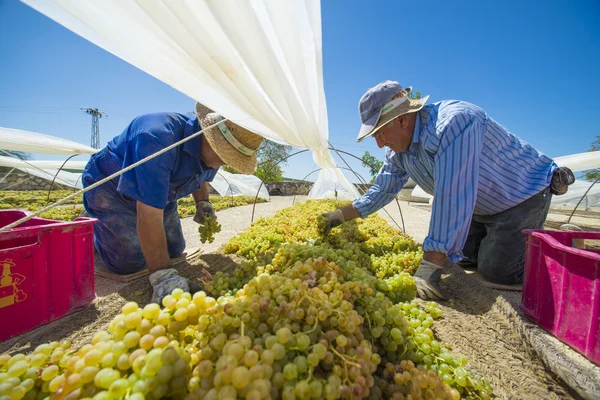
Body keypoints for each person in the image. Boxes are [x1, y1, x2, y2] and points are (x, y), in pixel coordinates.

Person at [322, 80, 574, 300]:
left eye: (379, 133)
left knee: (499, 273)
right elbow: (380, 190)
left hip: (521, 195)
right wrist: (339, 216)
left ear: (401, 119)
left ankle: (561, 250)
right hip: (479, 206)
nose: (378, 144)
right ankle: (506, 240)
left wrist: (430, 265)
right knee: (462, 258)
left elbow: (452, 194)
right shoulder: (398, 151)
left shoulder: (455, 123)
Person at [82, 103, 263, 303]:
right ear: (212, 141)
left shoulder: (212, 155)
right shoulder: (156, 138)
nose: (226, 163)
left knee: (174, 250)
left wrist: (203, 202)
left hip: (163, 192)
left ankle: (113, 232)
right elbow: (149, 214)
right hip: (110, 187)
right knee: (129, 262)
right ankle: (95, 231)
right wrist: (163, 276)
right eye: (226, 157)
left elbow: (201, 176)